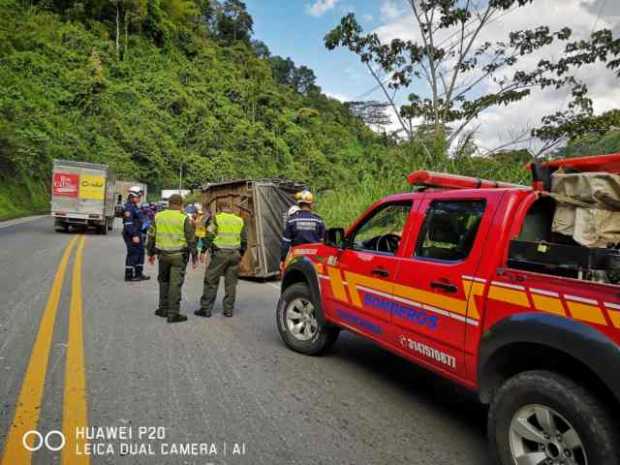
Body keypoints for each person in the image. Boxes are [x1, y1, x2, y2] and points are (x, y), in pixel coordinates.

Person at [146, 194, 197, 323]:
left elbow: (151, 235)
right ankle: (173, 314)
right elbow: (191, 239)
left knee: (163, 281)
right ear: (180, 205)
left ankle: (163, 309)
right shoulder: (184, 219)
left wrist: (150, 253)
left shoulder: (158, 216)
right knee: (175, 284)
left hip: (162, 255)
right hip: (178, 256)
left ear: (169, 203)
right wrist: (195, 256)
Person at [195, 199, 247, 318]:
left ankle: (206, 309)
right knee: (231, 283)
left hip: (220, 254)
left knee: (211, 280)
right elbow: (244, 240)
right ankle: (228, 310)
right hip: (235, 254)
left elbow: (209, 235)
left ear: (218, 208)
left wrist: (203, 251)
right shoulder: (239, 220)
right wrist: (241, 254)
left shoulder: (216, 219)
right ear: (230, 207)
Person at [280, 190, 325, 271]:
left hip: (296, 259)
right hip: (314, 260)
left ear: (299, 204)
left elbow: (285, 245)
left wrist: (283, 260)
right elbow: (324, 243)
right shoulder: (318, 221)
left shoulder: (291, 221)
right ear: (311, 204)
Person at [122, 186, 150, 282]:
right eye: (138, 196)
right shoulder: (129, 208)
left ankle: (139, 273)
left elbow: (140, 219)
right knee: (133, 253)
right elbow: (128, 224)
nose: (139, 198)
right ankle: (129, 275)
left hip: (138, 233)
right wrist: (134, 235)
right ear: (132, 196)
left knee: (141, 252)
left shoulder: (135, 206)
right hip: (131, 234)